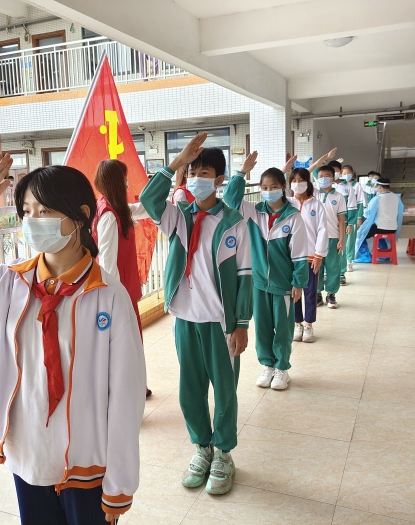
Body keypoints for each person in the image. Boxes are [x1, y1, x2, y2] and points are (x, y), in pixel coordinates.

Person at [0, 155, 146, 525]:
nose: (33, 221)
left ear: (81, 215)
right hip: (29, 456)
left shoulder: (109, 297)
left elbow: (127, 397)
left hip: (88, 463)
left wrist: (119, 485)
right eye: (27, 211)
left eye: (45, 210)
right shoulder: (6, 284)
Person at [139, 133, 252, 496]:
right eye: (192, 173)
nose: (196, 178)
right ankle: (202, 448)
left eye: (204, 173)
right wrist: (176, 163)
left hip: (220, 322)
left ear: (220, 180)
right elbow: (148, 199)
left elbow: (245, 275)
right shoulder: (179, 217)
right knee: (190, 390)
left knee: (225, 390)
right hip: (186, 318)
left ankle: (224, 453)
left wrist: (242, 323)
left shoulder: (234, 222)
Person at [223, 152, 308, 388]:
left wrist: (298, 282)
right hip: (258, 282)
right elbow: (230, 199)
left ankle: (282, 368)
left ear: (283, 188)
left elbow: (300, 253)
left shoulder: (293, 218)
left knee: (282, 329)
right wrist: (241, 172)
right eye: (264, 187)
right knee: (261, 327)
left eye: (273, 187)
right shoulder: (252, 211)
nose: (268, 191)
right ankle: (267, 365)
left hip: (283, 284)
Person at [92, 159, 152, 398]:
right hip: (118, 293)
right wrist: (115, 298)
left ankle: (136, 387)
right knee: (125, 343)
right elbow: (107, 262)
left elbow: (142, 209)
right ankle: (128, 392)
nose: (128, 182)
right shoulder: (108, 214)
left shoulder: (114, 207)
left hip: (124, 290)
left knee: (131, 341)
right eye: (124, 178)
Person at [286, 168, 327, 342]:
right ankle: (297, 324)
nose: (297, 183)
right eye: (294, 180)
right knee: (294, 291)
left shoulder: (317, 205)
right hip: (291, 257)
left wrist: (318, 255)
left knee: (310, 292)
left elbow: (322, 229)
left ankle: (309, 325)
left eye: (301, 180)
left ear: (308, 182)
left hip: (310, 256)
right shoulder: (287, 203)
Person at [314, 165, 346, 309]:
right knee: (316, 267)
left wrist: (342, 239)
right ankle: (317, 293)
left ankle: (331, 294)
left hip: (333, 237)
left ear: (333, 178)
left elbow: (341, 220)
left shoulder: (339, 197)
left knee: (333, 267)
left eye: (327, 176)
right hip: (315, 238)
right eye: (320, 176)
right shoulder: (314, 194)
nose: (323, 179)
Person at [355, 177, 404, 257]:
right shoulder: (397, 197)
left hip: (380, 228)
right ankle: (384, 255)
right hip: (393, 228)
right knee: (375, 230)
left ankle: (365, 256)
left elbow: (368, 214)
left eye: (377, 187)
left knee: (360, 234)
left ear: (380, 187)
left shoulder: (377, 199)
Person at [338, 164, 364, 276]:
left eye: (348, 173)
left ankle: (349, 261)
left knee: (350, 240)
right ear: (340, 174)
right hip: (340, 219)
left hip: (351, 216)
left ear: (352, 174)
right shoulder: (338, 186)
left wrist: (358, 217)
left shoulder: (356, 185)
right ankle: (341, 262)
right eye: (344, 173)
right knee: (341, 241)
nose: (346, 175)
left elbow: (360, 202)